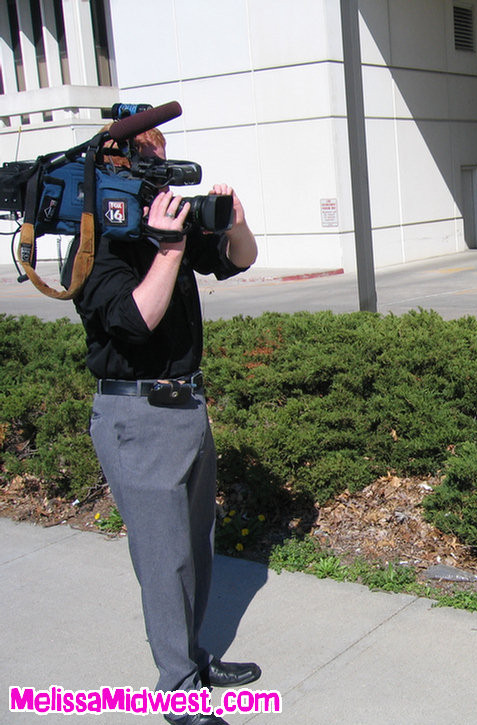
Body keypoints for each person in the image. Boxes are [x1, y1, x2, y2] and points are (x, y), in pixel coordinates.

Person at [74, 126, 261, 725]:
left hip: (186, 407)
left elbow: (240, 259)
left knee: (198, 549)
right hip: (137, 414)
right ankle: (176, 689)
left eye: (163, 162)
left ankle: (195, 659)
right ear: (114, 171)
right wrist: (168, 247)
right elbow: (136, 319)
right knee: (165, 560)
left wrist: (233, 221)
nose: (160, 176)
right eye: (147, 164)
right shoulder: (97, 246)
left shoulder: (168, 230)